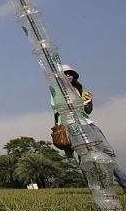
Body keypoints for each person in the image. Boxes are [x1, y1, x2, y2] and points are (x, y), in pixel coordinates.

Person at [53, 64, 126, 192]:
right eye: (65, 73)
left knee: (109, 152)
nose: (68, 75)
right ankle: (96, 189)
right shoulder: (57, 92)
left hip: (89, 123)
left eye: (70, 73)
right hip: (74, 126)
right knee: (85, 157)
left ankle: (124, 183)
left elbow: (88, 111)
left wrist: (89, 102)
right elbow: (60, 108)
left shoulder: (80, 90)